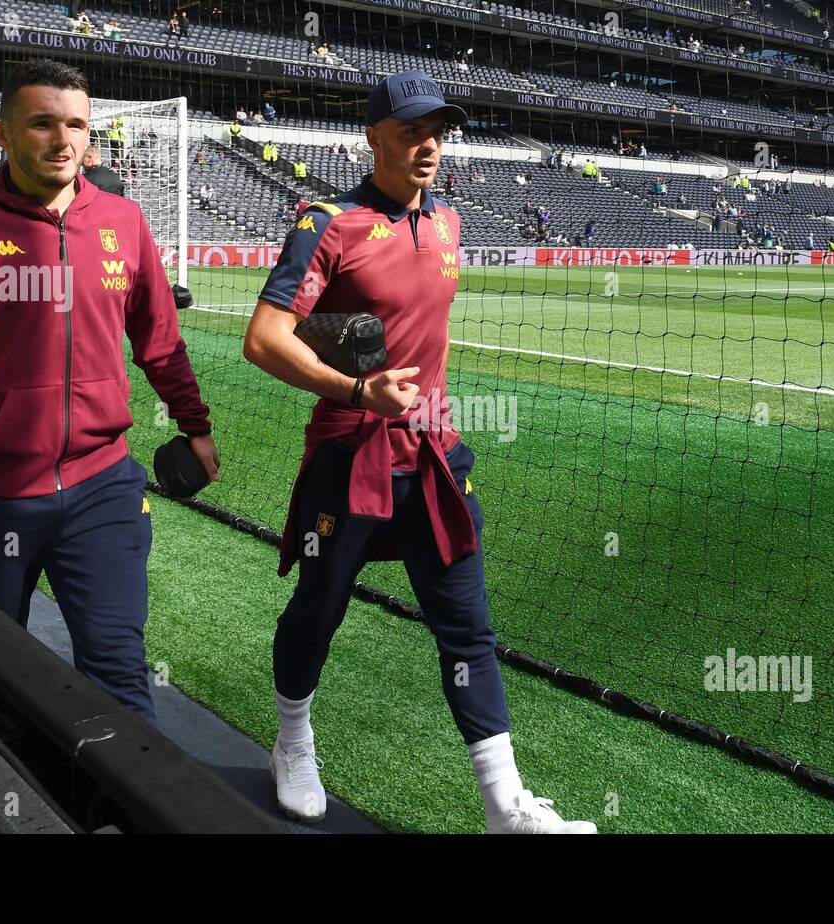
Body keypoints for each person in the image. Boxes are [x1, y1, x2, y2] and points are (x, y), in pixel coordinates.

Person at [241, 69, 596, 834]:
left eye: (439, 131)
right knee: (319, 607)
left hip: (434, 453)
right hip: (349, 451)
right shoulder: (325, 222)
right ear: (373, 136)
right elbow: (262, 339)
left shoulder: (450, 223)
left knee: (466, 625)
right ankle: (293, 742)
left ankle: (506, 808)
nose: (428, 144)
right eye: (410, 130)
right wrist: (353, 391)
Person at [0, 58, 219, 724]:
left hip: (104, 489)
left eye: (76, 126)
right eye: (42, 124)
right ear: (4, 133)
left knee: (118, 673)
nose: (63, 141)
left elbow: (160, 340)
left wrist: (194, 423)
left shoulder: (123, 220)